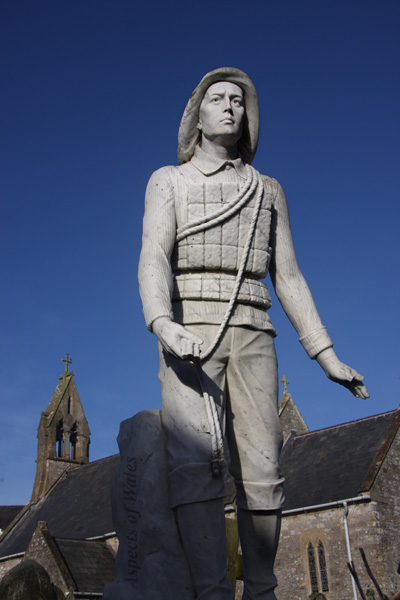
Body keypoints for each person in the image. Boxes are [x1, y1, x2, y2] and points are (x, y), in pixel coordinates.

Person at [138, 67, 368, 600]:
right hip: (189, 334)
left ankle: (261, 589)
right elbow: (153, 254)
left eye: (238, 101)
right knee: (196, 466)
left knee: (264, 472)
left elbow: (288, 274)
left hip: (255, 332)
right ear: (196, 114)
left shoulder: (268, 191)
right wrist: (162, 321)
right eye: (217, 99)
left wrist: (325, 354)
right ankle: (211, 589)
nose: (229, 107)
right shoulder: (167, 181)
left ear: (249, 117)